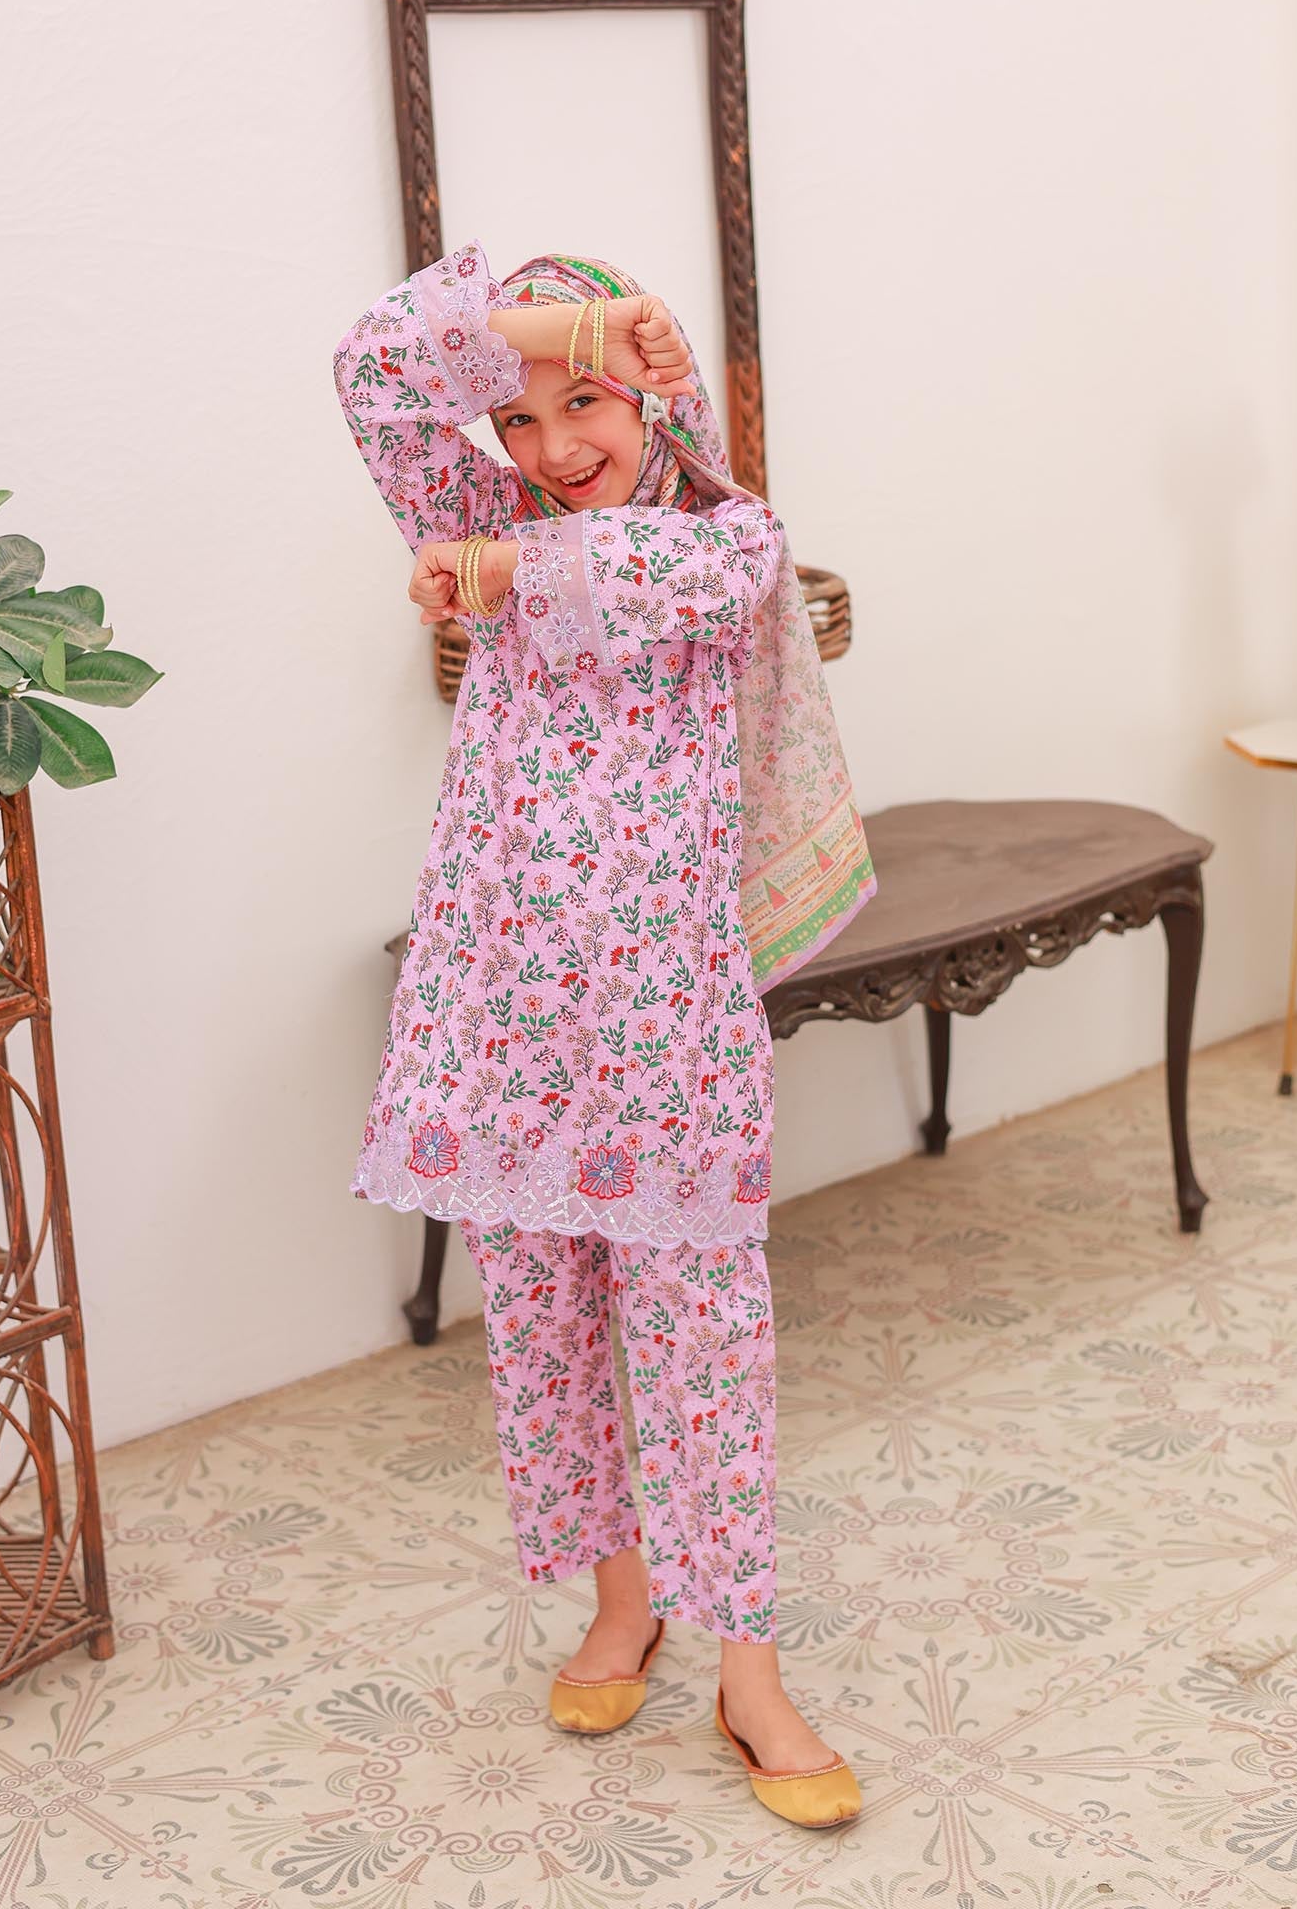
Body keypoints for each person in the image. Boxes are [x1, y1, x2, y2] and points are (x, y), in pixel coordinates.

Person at [332, 241, 876, 1829]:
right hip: (500, 1005)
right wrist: (563, 328)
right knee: (545, 1328)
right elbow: (372, 365)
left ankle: (751, 1671)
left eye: (591, 402)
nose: (559, 446)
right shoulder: (481, 514)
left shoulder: (728, 542)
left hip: (661, 1025)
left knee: (708, 1350)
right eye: (518, 421)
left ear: (659, 393)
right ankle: (618, 1601)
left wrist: (498, 572)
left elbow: (643, 576)